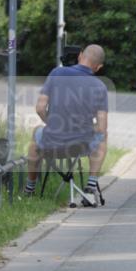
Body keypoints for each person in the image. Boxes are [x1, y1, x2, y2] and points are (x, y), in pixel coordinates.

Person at [23, 44, 108, 206]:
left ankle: (30, 188)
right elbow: (102, 127)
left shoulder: (57, 73)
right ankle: (91, 186)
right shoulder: (100, 87)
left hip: (51, 144)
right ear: (99, 67)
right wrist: (88, 129)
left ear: (80, 55)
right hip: (81, 146)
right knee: (103, 136)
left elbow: (40, 108)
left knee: (36, 133)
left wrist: (53, 124)